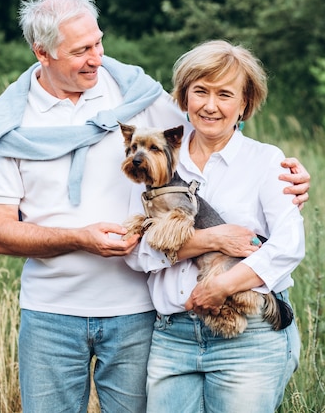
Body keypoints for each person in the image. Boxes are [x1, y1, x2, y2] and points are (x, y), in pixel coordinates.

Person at [0, 0, 310, 413]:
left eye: (98, 42)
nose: (96, 57)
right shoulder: (7, 123)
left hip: (137, 312)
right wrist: (80, 238)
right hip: (50, 312)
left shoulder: (137, 94)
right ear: (42, 53)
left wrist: (287, 177)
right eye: (81, 50)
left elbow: (213, 122)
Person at [125, 39, 306, 413]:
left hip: (249, 337)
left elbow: (288, 244)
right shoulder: (159, 161)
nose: (210, 105)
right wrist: (211, 238)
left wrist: (221, 286)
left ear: (244, 104)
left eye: (225, 94)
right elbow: (138, 254)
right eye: (200, 92)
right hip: (173, 336)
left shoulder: (265, 161)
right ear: (184, 97)